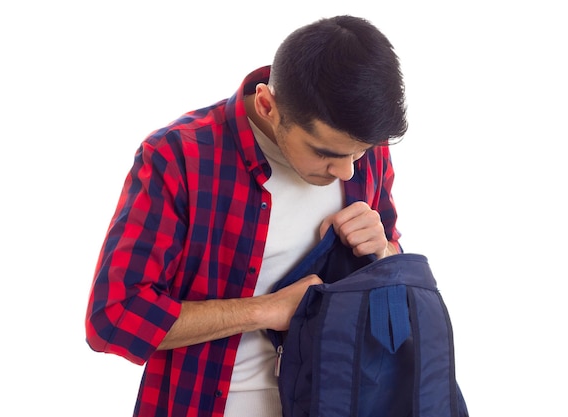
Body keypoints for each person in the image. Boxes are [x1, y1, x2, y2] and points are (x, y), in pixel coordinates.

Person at [85, 15, 408, 417]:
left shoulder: (360, 146)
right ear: (267, 106)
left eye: (360, 153)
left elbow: (391, 288)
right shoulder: (179, 157)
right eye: (326, 153)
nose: (347, 171)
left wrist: (385, 251)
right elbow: (116, 316)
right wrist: (267, 309)